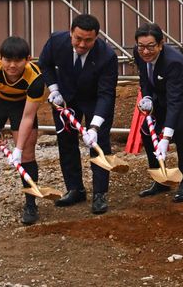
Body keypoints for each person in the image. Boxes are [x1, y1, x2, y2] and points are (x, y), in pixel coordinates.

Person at [38, 14, 118, 215]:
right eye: (78, 38)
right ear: (70, 32)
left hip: (94, 101)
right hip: (65, 99)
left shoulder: (107, 56)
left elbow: (106, 94)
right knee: (66, 142)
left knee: (98, 144)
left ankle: (100, 193)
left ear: (96, 37)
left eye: (88, 40)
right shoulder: (57, 41)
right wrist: (54, 89)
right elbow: (44, 63)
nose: (82, 44)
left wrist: (95, 126)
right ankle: (75, 188)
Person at [134, 22, 183, 203]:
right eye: (141, 46)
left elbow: (175, 101)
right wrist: (148, 98)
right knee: (146, 129)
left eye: (150, 46)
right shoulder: (139, 54)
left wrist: (166, 138)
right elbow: (145, 79)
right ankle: (160, 178)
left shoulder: (173, 62)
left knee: (180, 130)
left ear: (160, 44)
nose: (145, 51)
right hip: (161, 94)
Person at [0, 37, 45, 225]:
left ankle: (31, 204)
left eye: (18, 61)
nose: (12, 65)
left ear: (27, 59)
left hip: (22, 106)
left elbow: (28, 117)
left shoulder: (36, 78)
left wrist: (19, 148)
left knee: (27, 155)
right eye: (7, 60)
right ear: (1, 57)